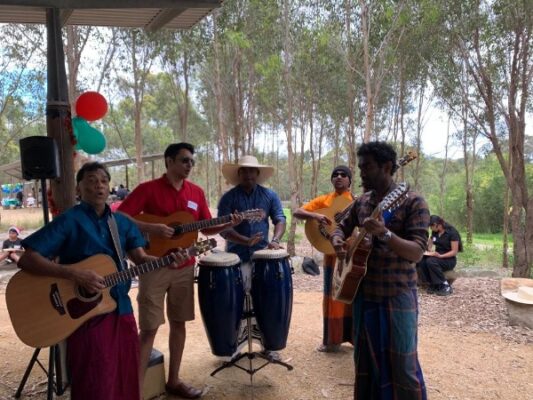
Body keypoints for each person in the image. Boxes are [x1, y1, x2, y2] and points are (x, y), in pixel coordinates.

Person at [17, 161, 186, 400]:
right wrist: (74, 274)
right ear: (78, 189)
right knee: (94, 381)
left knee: (125, 375)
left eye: (104, 181)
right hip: (86, 315)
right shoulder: (69, 220)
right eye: (91, 181)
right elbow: (27, 259)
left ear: (109, 189)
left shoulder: (122, 223)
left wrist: (165, 260)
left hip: (122, 310)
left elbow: (140, 258)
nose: (99, 186)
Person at [118, 142, 241, 399]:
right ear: (169, 161)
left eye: (191, 162)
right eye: (184, 160)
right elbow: (119, 217)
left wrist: (227, 222)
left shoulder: (196, 192)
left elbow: (206, 228)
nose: (189, 165)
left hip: (185, 267)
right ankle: (135, 391)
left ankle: (174, 380)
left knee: (179, 323)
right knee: (149, 328)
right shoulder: (147, 189)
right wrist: (150, 228)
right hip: (153, 265)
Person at [331, 142, 429, 400]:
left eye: (367, 168)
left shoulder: (413, 202)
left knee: (403, 365)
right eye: (360, 167)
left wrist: (385, 234)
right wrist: (338, 240)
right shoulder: (362, 201)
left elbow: (417, 252)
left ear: (387, 167)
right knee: (365, 363)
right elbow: (340, 226)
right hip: (365, 294)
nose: (361, 174)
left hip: (397, 294)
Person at [217, 155, 287, 359]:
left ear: (258, 174)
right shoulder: (229, 198)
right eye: (244, 171)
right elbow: (223, 229)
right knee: (234, 303)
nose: (248, 174)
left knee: (265, 302)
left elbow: (280, 219)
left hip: (262, 258)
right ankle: (234, 347)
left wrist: (275, 239)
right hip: (235, 258)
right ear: (239, 174)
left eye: (251, 171)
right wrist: (242, 240)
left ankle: (268, 345)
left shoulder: (269, 196)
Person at [293, 166, 355, 353]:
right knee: (332, 297)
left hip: (352, 253)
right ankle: (332, 340)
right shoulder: (324, 200)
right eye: (335, 174)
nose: (339, 177)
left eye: (344, 175)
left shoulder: (356, 202)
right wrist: (316, 215)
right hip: (331, 254)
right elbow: (297, 212)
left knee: (352, 296)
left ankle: (353, 338)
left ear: (350, 181)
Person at [417, 215, 461, 296]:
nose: (430, 228)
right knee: (422, 260)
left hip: (449, 259)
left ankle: (445, 285)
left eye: (431, 226)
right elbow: (430, 243)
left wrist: (441, 256)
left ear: (437, 224)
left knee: (431, 261)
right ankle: (433, 284)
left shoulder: (452, 232)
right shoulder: (435, 232)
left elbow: (454, 251)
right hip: (437, 256)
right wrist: (428, 250)